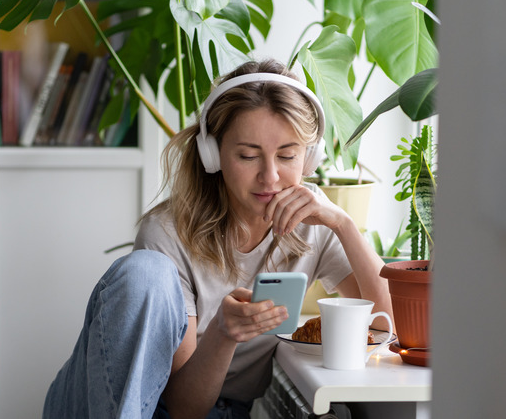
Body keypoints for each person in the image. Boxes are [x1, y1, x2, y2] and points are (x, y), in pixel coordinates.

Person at [43, 59, 393, 419]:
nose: (270, 176)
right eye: (247, 155)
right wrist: (223, 334)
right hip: (121, 403)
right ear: (213, 155)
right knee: (145, 272)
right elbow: (181, 407)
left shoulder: (313, 226)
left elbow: (388, 323)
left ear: (310, 158)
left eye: (287, 155)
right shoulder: (168, 234)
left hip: (216, 410)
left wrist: (343, 223)